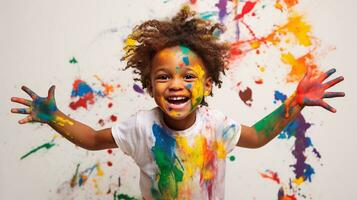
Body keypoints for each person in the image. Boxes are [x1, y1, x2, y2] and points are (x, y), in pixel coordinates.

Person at [10, 6, 345, 200]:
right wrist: (55, 117)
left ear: (207, 84)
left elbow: (256, 137)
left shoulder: (215, 124)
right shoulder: (142, 126)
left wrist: (296, 102)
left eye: (188, 76)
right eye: (164, 77)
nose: (175, 85)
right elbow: (95, 140)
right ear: (150, 86)